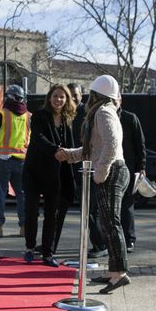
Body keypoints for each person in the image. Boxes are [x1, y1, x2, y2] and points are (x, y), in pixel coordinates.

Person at [59, 75, 130, 294]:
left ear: (96, 94)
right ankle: (113, 271)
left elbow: (111, 144)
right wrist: (68, 154)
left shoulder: (102, 112)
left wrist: (100, 172)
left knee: (111, 224)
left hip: (112, 171)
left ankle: (119, 274)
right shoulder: (104, 111)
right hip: (114, 170)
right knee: (108, 224)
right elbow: (93, 149)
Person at [22, 85, 77, 267]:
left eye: (62, 97)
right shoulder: (39, 115)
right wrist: (56, 150)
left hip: (55, 174)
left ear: (67, 99)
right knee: (31, 211)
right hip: (35, 170)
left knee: (52, 214)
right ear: (49, 97)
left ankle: (47, 253)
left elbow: (70, 144)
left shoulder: (67, 119)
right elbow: (38, 138)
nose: (58, 100)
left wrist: (72, 156)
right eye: (55, 96)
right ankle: (30, 247)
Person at [0, 84, 31, 238]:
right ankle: (24, 227)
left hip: (2, 160)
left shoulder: (1, 114)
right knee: (22, 195)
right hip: (22, 161)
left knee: (0, 194)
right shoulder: (29, 116)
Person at [118, 99, 146, 252]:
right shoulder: (101, 117)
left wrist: (141, 167)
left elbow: (140, 144)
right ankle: (113, 241)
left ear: (120, 100)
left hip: (128, 168)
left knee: (127, 205)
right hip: (109, 168)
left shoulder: (130, 118)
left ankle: (129, 240)